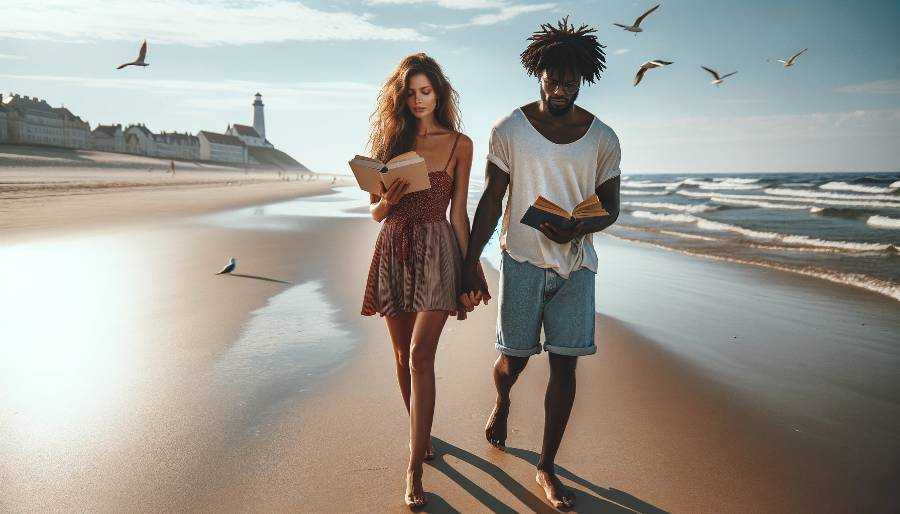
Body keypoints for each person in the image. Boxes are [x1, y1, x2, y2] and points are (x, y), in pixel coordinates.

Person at [459, 17, 622, 509]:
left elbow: (609, 206)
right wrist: (471, 263)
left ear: (583, 78)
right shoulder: (509, 129)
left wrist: (579, 227)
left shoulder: (603, 138)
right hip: (522, 261)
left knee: (565, 366)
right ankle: (502, 401)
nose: (560, 85)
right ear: (539, 72)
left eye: (570, 78)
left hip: (576, 266)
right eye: (553, 75)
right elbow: (492, 199)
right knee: (513, 361)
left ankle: (546, 467)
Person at [361, 52, 489, 508]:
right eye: (411, 92)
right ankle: (423, 438)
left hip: (438, 251)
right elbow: (376, 212)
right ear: (402, 97)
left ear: (439, 93)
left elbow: (459, 211)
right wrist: (387, 201)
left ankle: (413, 465)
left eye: (426, 91)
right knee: (400, 355)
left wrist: (471, 267)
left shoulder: (460, 144)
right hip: (395, 246)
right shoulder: (391, 144)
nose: (418, 100)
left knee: (419, 354)